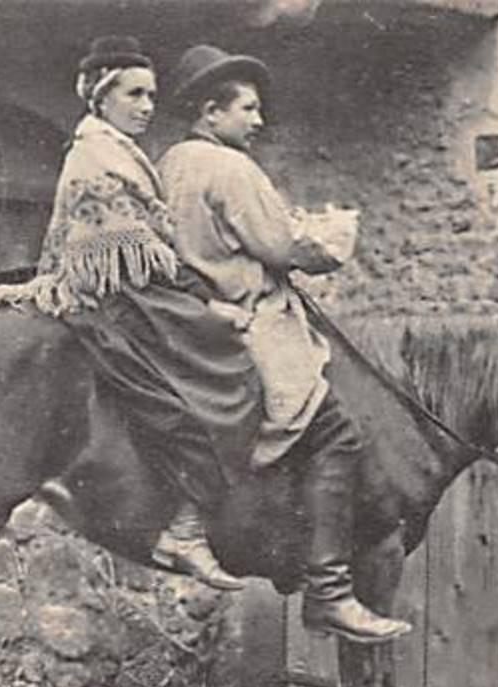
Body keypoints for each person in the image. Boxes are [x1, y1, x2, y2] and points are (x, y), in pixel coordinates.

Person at [157, 44, 411, 643]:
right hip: (248, 319)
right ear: (211, 112)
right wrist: (334, 234)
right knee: (335, 431)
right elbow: (284, 247)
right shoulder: (232, 169)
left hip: (193, 321)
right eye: (247, 108)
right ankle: (329, 590)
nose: (259, 120)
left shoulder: (169, 164)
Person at [23, 36, 247, 591]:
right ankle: (185, 528)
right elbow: (130, 264)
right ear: (101, 98)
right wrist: (209, 307)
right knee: (206, 391)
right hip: (112, 303)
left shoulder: (120, 151)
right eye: (134, 94)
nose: (147, 106)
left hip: (134, 290)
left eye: (151, 95)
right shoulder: (97, 158)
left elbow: (150, 249)